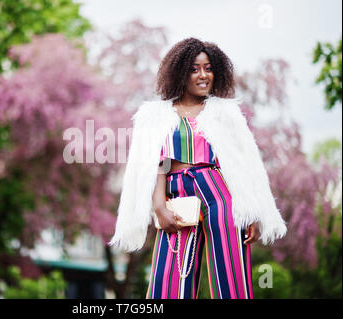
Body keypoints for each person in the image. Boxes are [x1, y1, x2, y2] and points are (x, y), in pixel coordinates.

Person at [109, 37, 287, 299]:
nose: (203, 75)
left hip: (219, 193)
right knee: (169, 281)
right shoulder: (156, 115)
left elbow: (244, 164)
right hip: (178, 198)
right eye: (194, 69)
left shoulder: (225, 113)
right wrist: (159, 205)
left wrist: (253, 212)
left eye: (208, 68)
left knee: (231, 275)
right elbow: (156, 163)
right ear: (180, 72)